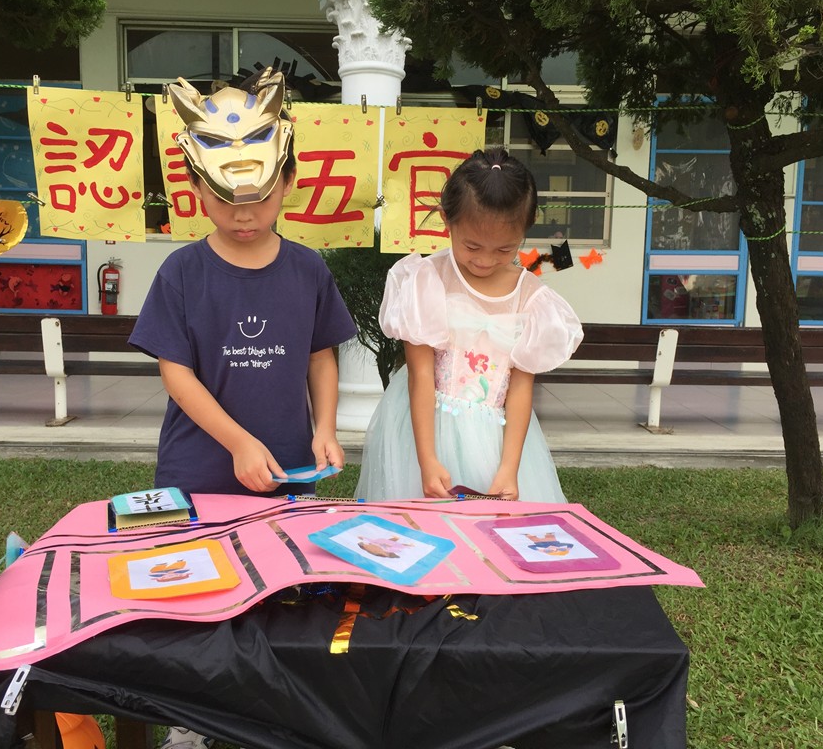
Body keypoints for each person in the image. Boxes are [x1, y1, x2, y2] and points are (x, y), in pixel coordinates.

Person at [131, 67, 356, 749]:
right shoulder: (182, 272)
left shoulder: (308, 269)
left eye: (258, 198)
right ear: (197, 190)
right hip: (199, 467)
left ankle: (269, 707)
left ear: (287, 182)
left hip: (286, 467)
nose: (244, 215)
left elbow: (321, 355)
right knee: (197, 592)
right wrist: (235, 441)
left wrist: (324, 428)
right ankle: (190, 718)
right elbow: (176, 374)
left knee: (279, 589)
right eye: (227, 201)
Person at [355, 147, 583, 503]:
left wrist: (509, 467)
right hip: (424, 431)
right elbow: (420, 375)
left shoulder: (531, 298)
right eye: (472, 246)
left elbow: (521, 389)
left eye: (504, 250)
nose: (485, 260)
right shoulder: (427, 279)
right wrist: (426, 460)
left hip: (496, 441)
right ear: (447, 220)